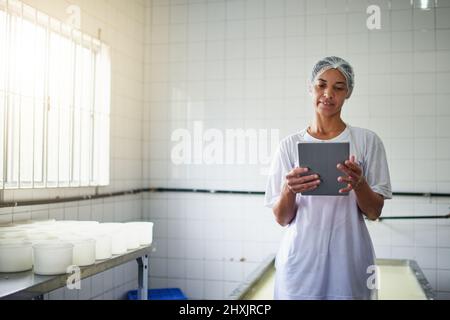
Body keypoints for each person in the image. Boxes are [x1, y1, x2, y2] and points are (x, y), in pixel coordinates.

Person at [264, 56, 392, 300]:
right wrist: (289, 190)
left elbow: (374, 212)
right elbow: (281, 219)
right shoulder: (290, 146)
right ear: (310, 88)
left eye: (338, 87)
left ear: (348, 93)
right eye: (321, 85)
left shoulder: (366, 141)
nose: (328, 93)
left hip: (349, 258)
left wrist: (360, 184)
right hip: (300, 259)